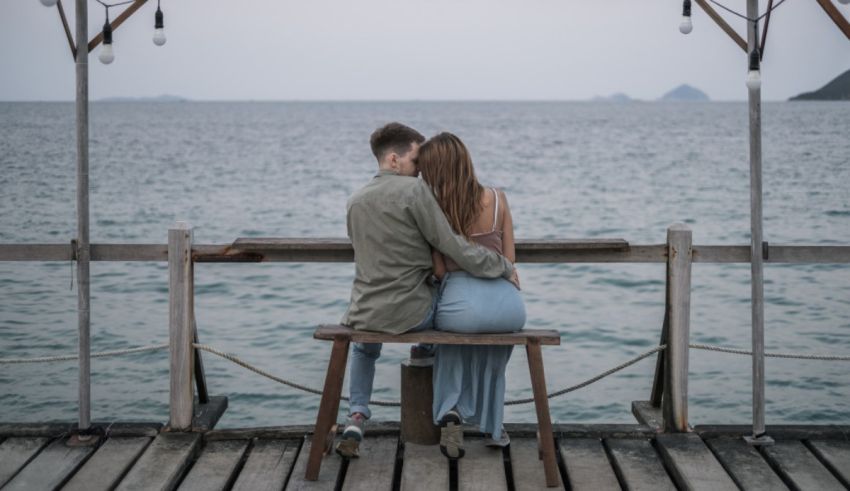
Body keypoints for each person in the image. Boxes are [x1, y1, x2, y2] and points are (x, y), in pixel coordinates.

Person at [337, 122, 518, 459]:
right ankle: (450, 392)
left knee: (364, 346)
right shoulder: (416, 192)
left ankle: (357, 414)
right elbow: (454, 248)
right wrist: (504, 266)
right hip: (414, 314)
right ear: (394, 160)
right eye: (416, 162)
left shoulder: (354, 200)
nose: (421, 171)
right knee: (446, 310)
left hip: (364, 311)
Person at [418, 132, 526, 459]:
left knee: (450, 341)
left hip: (461, 299)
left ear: (435, 170)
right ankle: (494, 426)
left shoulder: (434, 208)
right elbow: (509, 260)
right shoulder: (498, 198)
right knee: (493, 353)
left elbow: (439, 272)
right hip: (509, 307)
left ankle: (452, 410)